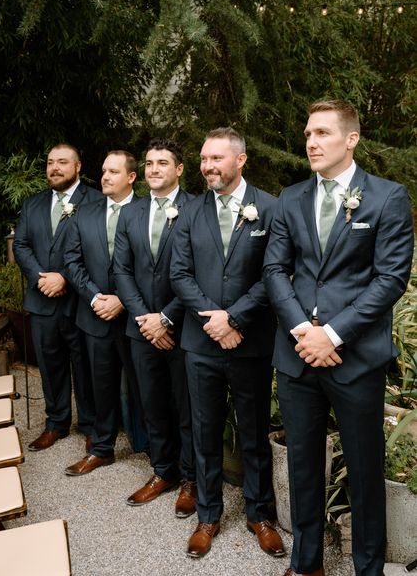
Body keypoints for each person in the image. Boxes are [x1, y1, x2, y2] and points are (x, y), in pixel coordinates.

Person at [262, 99, 414, 576]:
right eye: (308, 133)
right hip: (297, 353)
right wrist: (303, 330)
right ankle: (307, 562)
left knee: (365, 470)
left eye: (323, 133)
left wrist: (332, 333)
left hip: (356, 358)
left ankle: (367, 568)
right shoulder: (289, 198)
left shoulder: (388, 198)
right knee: (304, 463)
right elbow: (274, 268)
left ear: (351, 139)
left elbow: (389, 279)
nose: (311, 142)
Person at [170, 127, 285, 559]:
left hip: (250, 342)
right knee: (204, 432)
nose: (208, 166)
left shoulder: (270, 209)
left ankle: (259, 514)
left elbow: (274, 274)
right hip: (201, 344)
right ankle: (208, 514)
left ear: (241, 160)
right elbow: (179, 274)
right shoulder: (189, 212)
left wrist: (234, 318)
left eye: (217, 158)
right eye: (203, 159)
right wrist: (214, 321)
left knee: (254, 432)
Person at [113, 138, 197, 518]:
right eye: (148, 163)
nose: (154, 169)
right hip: (141, 329)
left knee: (187, 406)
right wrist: (146, 319)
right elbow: (122, 271)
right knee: (152, 405)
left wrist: (166, 318)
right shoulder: (132, 212)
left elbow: (201, 274)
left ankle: (191, 479)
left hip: (183, 327)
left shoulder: (197, 208)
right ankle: (162, 471)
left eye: (162, 162)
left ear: (179, 169)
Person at [63, 150, 148, 475]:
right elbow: (71, 260)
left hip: (136, 317)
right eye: (103, 171)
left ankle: (155, 452)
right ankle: (102, 448)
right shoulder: (85, 213)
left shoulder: (145, 212)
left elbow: (152, 266)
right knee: (101, 385)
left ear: (131, 177)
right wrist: (96, 296)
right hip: (95, 315)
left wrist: (123, 300)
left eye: (113, 171)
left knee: (146, 386)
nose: (105, 177)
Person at [13, 143, 102, 452]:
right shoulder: (33, 203)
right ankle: (56, 423)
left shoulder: (96, 201)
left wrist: (64, 277)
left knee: (85, 364)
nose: (54, 167)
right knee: (49, 364)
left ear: (78, 167)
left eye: (62, 162)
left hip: (80, 301)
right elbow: (21, 245)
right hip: (42, 300)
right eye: (50, 162)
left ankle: (92, 424)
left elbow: (98, 249)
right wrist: (41, 278)